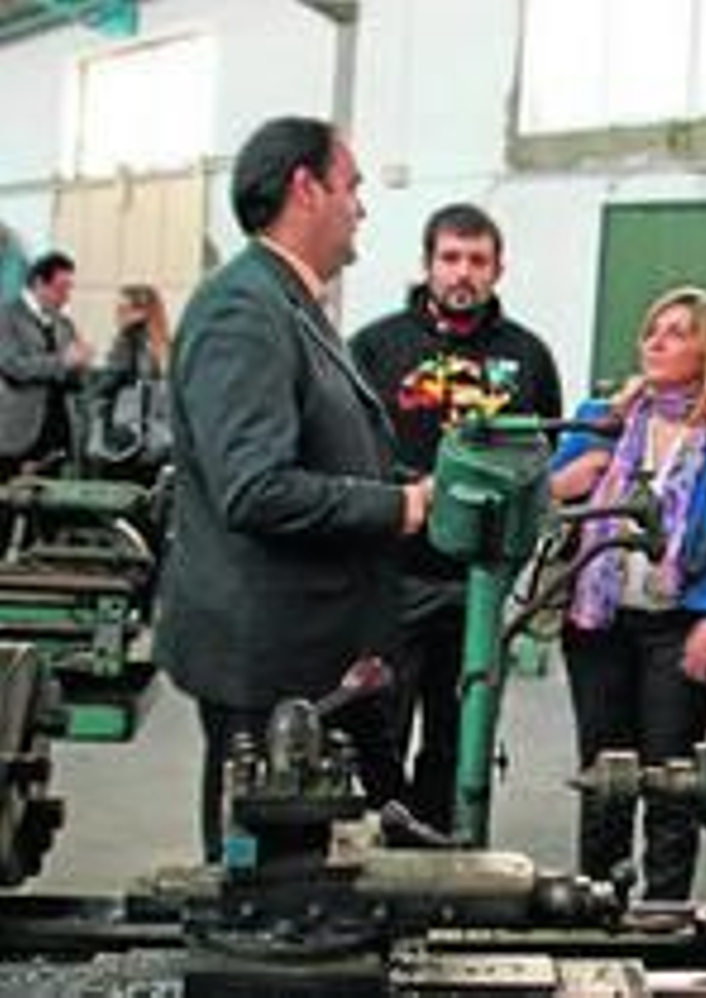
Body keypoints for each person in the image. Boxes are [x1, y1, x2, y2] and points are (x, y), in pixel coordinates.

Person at [154, 116, 433, 862]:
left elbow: (322, 449)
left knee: (323, 875)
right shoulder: (244, 310)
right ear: (306, 189)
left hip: (320, 650)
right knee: (271, 896)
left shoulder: (289, 303)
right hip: (273, 657)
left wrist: (420, 487)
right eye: (353, 188)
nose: (361, 208)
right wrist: (399, 507)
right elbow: (255, 488)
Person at [550, 285, 706, 900]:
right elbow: (540, 498)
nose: (656, 340)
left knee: (671, 784)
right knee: (603, 782)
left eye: (677, 332)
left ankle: (664, 919)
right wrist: (566, 481)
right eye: (653, 329)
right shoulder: (604, 419)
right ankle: (596, 908)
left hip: (677, 629)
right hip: (595, 626)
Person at [350, 202, 563, 833]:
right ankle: (381, 840)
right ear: (427, 264)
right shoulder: (375, 347)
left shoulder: (528, 356)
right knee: (376, 727)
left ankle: (442, 854)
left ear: (499, 269)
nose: (462, 272)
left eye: (477, 260)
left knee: (459, 733)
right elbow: (348, 451)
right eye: (450, 258)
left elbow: (544, 458)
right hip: (392, 577)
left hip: (479, 583)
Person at [0, 251, 93, 480]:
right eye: (62, 288)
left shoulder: (64, 323)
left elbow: (74, 377)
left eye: (70, 288)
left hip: (59, 432)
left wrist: (81, 364)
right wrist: (62, 361)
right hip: (18, 433)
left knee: (50, 509)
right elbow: (13, 367)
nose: (67, 296)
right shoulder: (7, 317)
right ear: (39, 283)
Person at [86, 283, 174, 483]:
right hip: (158, 441)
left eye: (122, 309)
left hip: (125, 439)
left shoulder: (128, 338)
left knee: (118, 498)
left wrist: (89, 387)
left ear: (141, 312)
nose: (116, 315)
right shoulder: (165, 344)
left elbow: (110, 380)